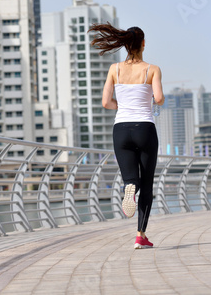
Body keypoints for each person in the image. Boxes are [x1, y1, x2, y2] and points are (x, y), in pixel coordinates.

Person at [89, 23, 164, 249]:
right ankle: (140, 235)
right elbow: (159, 98)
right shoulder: (152, 69)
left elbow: (105, 102)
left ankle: (129, 186)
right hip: (145, 128)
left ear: (124, 44)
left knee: (132, 179)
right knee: (147, 184)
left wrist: (122, 105)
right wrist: (150, 99)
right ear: (143, 44)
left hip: (121, 129)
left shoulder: (115, 69)